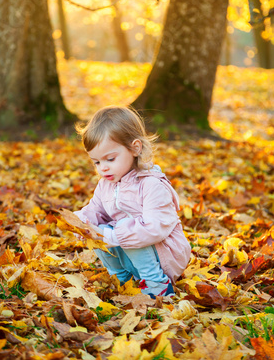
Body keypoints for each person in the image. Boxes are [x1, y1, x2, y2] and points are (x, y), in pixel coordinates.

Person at [74, 106, 191, 299]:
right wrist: (82, 222)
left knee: (124, 228)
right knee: (96, 230)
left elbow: (153, 228)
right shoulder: (106, 184)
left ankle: (157, 286)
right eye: (96, 162)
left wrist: (112, 235)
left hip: (164, 256)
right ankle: (122, 279)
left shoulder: (151, 184)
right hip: (131, 256)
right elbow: (96, 208)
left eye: (110, 159)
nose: (103, 168)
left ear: (135, 148)